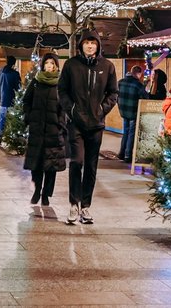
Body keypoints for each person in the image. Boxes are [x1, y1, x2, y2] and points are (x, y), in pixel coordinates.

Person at [58, 30, 118, 225]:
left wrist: (102, 109)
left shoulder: (107, 66)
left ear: (98, 45)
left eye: (93, 43)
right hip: (76, 123)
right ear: (81, 45)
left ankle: (86, 207)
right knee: (77, 161)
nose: (90, 46)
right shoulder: (71, 65)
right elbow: (62, 91)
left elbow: (113, 93)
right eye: (87, 43)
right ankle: (73, 204)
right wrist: (72, 109)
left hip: (96, 124)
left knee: (91, 166)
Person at [22, 53, 67, 206]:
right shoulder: (36, 82)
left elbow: (64, 106)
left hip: (54, 130)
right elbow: (26, 101)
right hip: (38, 129)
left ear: (56, 65)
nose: (49, 65)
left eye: (52, 63)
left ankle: (46, 194)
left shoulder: (61, 84)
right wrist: (29, 117)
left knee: (51, 165)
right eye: (47, 63)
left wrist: (60, 123)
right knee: (37, 163)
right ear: (43, 65)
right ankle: (37, 189)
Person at [116, 65, 149, 163]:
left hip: (123, 111)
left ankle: (121, 153)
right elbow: (145, 98)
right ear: (138, 73)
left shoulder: (120, 82)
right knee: (131, 133)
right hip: (133, 111)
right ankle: (128, 155)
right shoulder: (138, 85)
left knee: (125, 132)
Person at [0, 56, 21, 144]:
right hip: (12, 101)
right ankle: (10, 138)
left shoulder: (0, 72)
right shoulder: (15, 74)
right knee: (12, 120)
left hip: (3, 100)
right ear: (14, 63)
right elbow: (18, 88)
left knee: (2, 119)